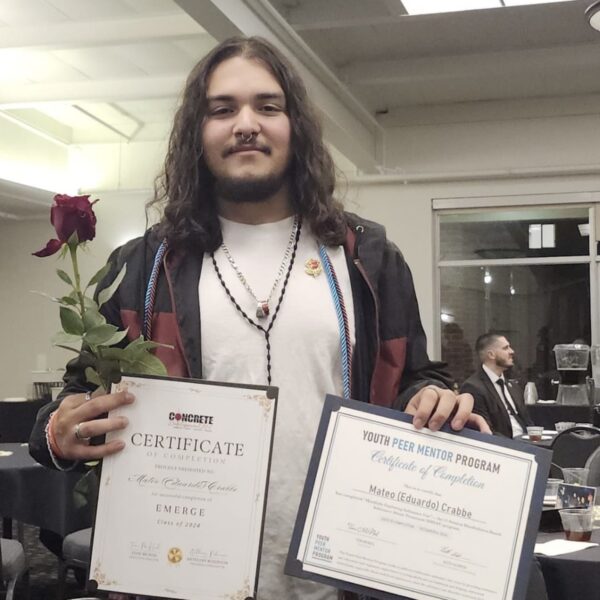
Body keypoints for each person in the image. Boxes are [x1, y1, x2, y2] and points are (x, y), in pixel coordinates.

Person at [29, 36, 490, 599]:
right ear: (196, 133)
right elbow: (72, 405)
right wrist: (62, 431)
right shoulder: (144, 266)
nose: (246, 124)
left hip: (339, 574)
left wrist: (432, 399)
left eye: (268, 107)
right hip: (182, 576)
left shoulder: (367, 259)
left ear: (296, 128)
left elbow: (414, 377)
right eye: (222, 109)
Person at [460, 332, 533, 438]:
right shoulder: (473, 388)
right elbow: (485, 431)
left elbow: (528, 422)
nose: (512, 351)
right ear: (491, 355)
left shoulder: (513, 387)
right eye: (505, 348)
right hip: (503, 445)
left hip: (528, 441)